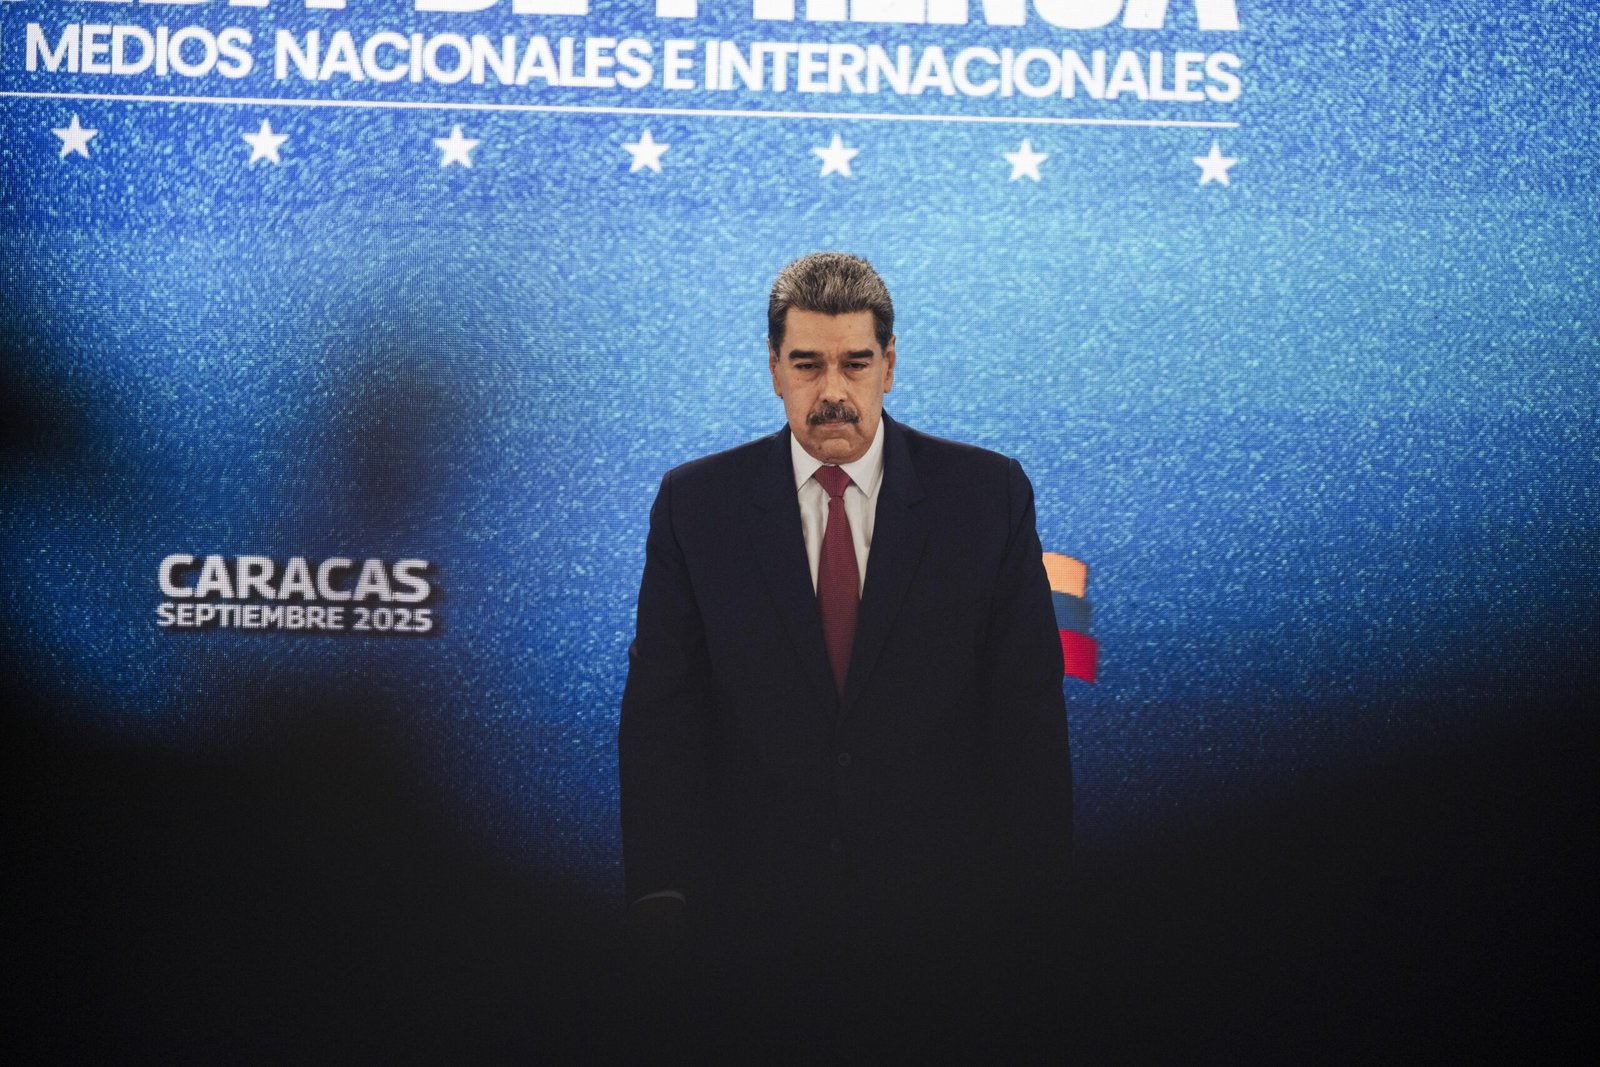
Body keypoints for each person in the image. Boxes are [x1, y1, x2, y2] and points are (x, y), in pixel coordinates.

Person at [617, 252, 1073, 1059]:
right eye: (807, 364)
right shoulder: (696, 505)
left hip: (948, 949)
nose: (832, 390)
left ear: (889, 365)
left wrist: (1034, 921)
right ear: (773, 367)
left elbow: (1026, 725)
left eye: (855, 363)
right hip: (747, 950)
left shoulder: (987, 497)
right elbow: (663, 719)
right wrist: (660, 897)